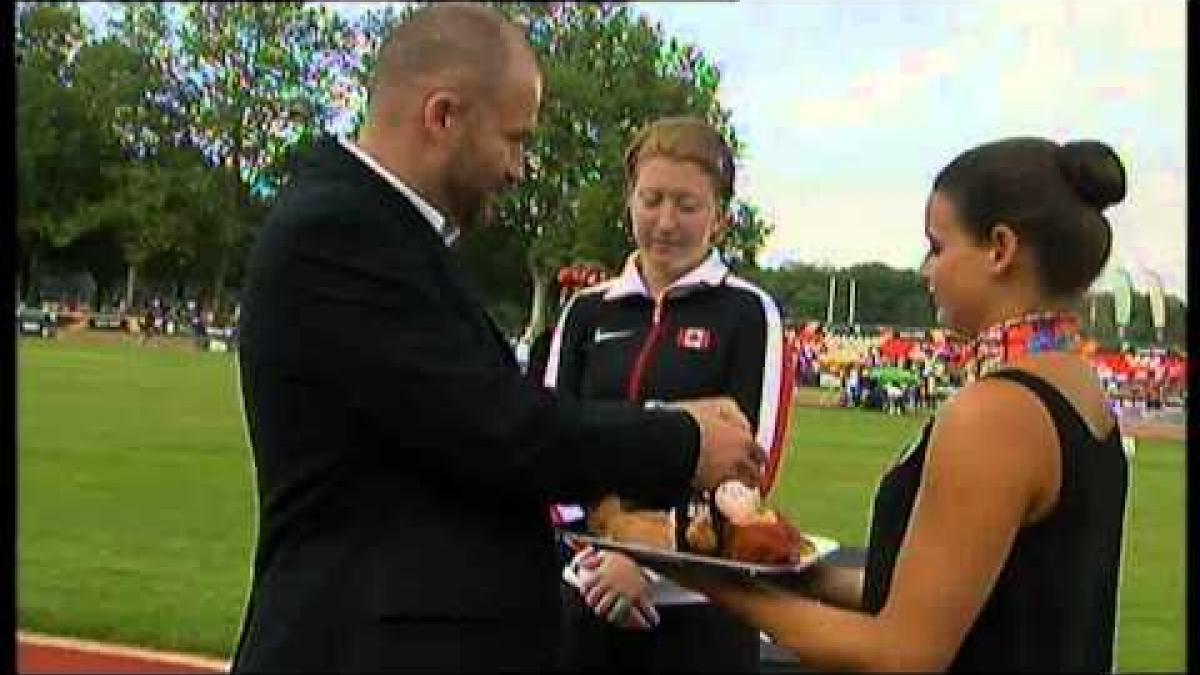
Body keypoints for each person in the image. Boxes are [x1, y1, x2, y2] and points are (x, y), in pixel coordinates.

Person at [230, 5, 765, 673]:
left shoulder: (384, 230)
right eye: (514, 139)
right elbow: (498, 427)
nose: (518, 168)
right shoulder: (338, 232)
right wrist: (683, 439)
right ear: (444, 115)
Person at [656, 137, 1130, 672]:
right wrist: (793, 570)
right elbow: (947, 599)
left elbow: (904, 651)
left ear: (1000, 249)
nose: (926, 271)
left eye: (937, 246)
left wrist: (707, 582)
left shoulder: (998, 412)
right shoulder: (1078, 387)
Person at [543, 117, 795, 673]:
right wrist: (604, 552)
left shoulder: (750, 312)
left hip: (702, 606)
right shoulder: (586, 312)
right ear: (629, 201)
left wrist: (648, 563)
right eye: (651, 199)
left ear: (720, 217)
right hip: (588, 591)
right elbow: (543, 444)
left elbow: (751, 469)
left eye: (687, 205)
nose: (665, 222)